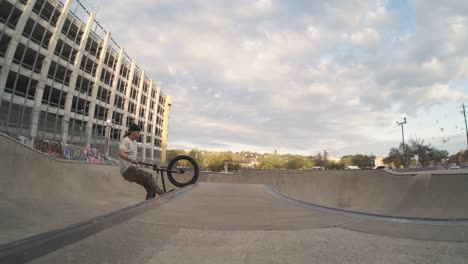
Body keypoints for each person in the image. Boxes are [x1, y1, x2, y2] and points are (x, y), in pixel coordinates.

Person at [117, 124, 163, 200]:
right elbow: (120, 153)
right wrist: (131, 159)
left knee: (149, 184)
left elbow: (132, 156)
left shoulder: (134, 142)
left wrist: (136, 160)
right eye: (137, 132)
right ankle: (162, 194)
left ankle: (149, 201)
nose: (139, 134)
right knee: (149, 176)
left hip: (132, 168)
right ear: (132, 132)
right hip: (127, 170)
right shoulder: (125, 140)